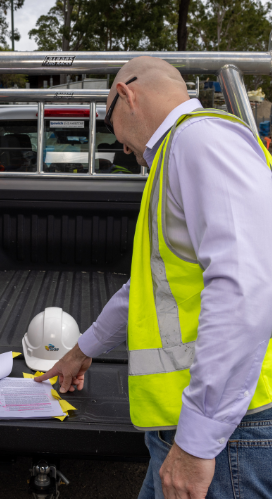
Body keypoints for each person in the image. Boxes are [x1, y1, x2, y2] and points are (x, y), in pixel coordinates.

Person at [36, 56, 272, 498]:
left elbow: (245, 291)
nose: (122, 148)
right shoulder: (178, 153)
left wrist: (197, 443)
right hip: (199, 432)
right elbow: (148, 289)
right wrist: (83, 350)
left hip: (227, 437)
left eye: (111, 125)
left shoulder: (199, 142)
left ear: (126, 94)